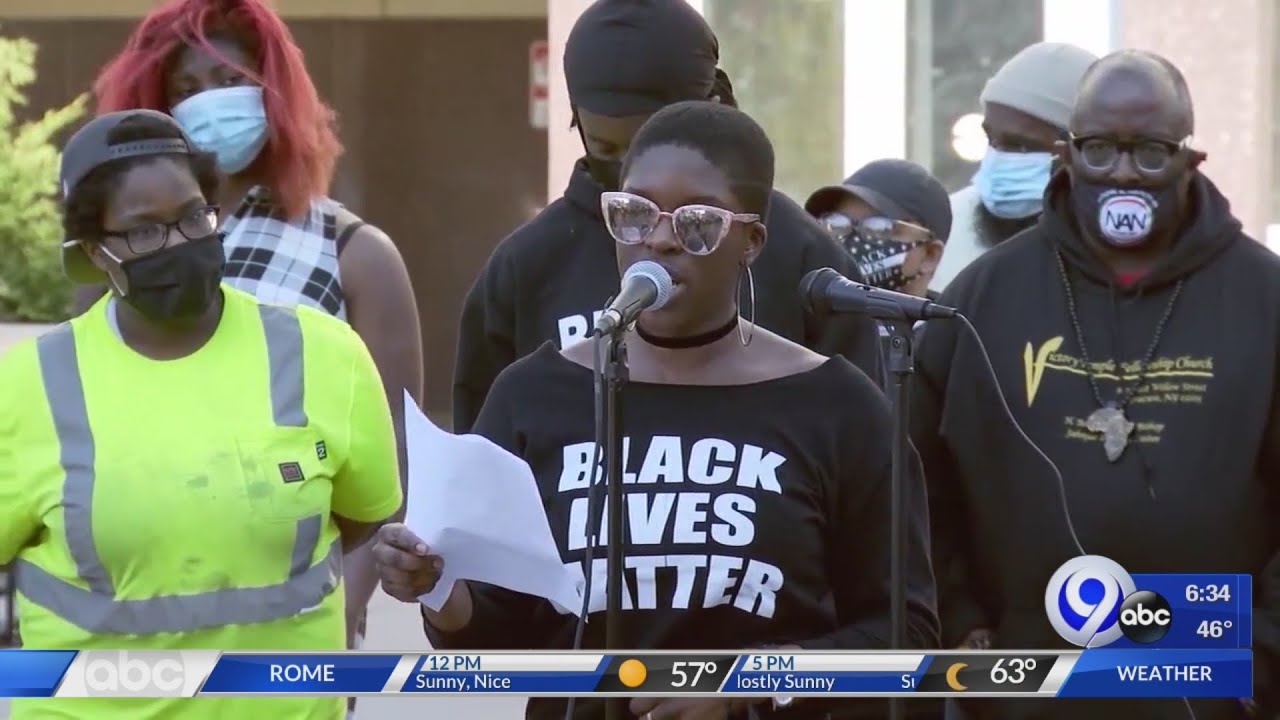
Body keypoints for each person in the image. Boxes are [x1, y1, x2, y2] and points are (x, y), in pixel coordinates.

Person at [377, 101, 940, 720]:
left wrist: (746, 687)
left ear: (750, 241)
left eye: (697, 223)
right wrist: (437, 588)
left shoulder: (836, 406)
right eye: (635, 215)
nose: (661, 238)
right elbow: (498, 633)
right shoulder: (533, 395)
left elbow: (903, 632)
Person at [911, 50, 1280, 720]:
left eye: (1149, 152)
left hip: (1209, 676)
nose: (1122, 173)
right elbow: (918, 482)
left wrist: (1264, 655)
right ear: (1068, 155)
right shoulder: (985, 294)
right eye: (1101, 150)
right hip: (1023, 682)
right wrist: (961, 620)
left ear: (1189, 159)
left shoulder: (1266, 298)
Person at [0, 110, 403, 719]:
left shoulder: (325, 355)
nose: (178, 244)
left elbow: (369, 520)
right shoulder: (28, 385)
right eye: (143, 232)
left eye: (193, 218)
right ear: (95, 251)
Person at [79, 0, 423, 694]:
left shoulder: (355, 254)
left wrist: (350, 601)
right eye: (185, 91)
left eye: (226, 80)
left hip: (292, 633)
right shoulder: (118, 257)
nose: (208, 104)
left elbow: (393, 457)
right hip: (135, 623)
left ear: (272, 91)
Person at [452, 0, 881, 435]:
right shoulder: (526, 266)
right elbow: (483, 466)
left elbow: (863, 450)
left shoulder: (802, 255)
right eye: (605, 150)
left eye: (649, 144)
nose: (628, 172)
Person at [932, 42, 1096, 292]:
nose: (998, 158)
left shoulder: (1119, 240)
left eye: (1020, 146)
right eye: (991, 140)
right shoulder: (945, 233)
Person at [805, 158, 950, 300]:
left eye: (879, 228)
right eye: (836, 224)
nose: (852, 241)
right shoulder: (802, 318)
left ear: (930, 255)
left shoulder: (957, 323)